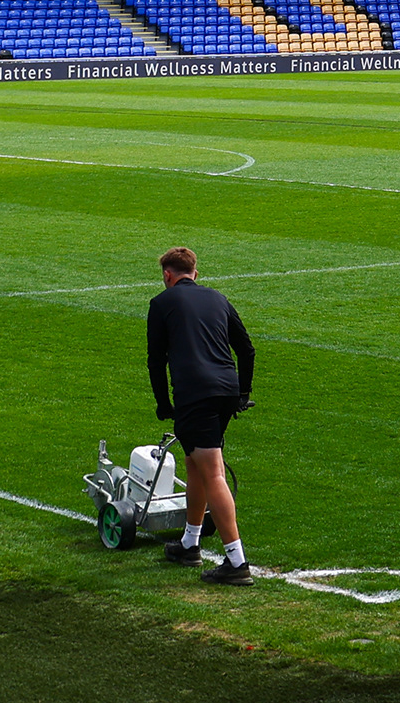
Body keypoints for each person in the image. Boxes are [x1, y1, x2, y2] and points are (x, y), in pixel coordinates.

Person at [143, 245, 256, 583]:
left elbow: (155, 360)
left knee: (213, 473)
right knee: (194, 463)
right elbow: (246, 349)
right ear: (196, 273)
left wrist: (164, 404)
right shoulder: (219, 298)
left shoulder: (161, 303)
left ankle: (237, 563)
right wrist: (242, 394)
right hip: (225, 391)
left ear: (168, 275)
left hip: (196, 395)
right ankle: (190, 544)